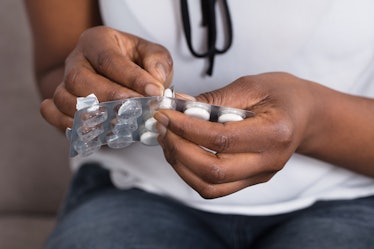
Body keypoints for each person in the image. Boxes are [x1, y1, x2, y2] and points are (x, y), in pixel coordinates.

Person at [24, 1, 374, 248]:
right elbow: (56, 75)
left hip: (344, 197)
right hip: (134, 190)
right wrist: (90, 92)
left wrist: (313, 119)